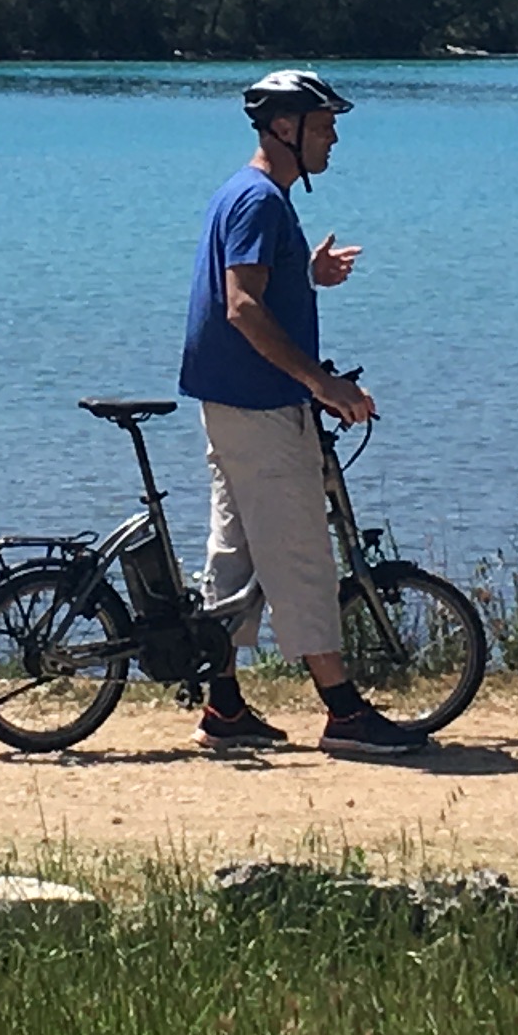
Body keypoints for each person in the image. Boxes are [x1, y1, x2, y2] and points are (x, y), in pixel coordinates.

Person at [175, 68, 424, 753]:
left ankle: (223, 706)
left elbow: (259, 284)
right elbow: (242, 306)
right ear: (284, 129)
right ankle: (343, 712)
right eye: (323, 126)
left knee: (237, 555)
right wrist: (324, 385)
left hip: (228, 402)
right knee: (302, 554)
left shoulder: (250, 194)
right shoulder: (259, 201)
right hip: (259, 407)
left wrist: (306, 275)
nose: (334, 137)